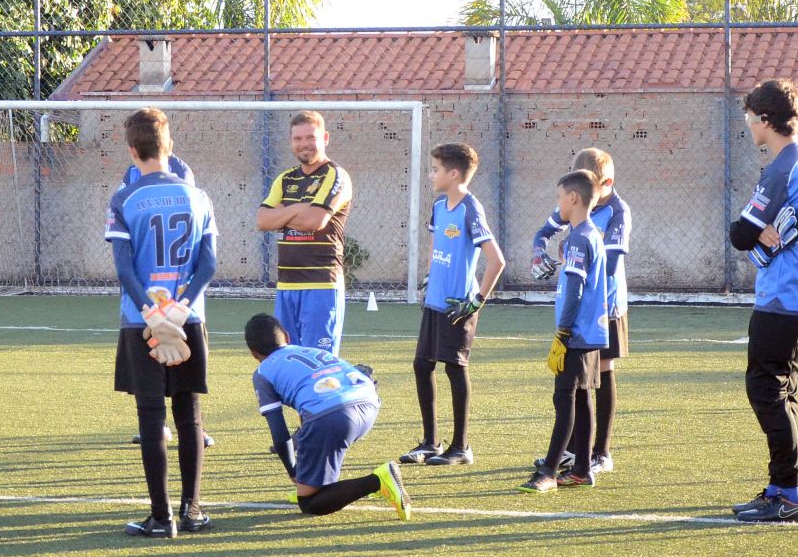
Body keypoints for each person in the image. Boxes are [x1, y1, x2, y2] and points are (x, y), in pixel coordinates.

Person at [106, 108, 220, 538]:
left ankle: (161, 517)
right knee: (189, 414)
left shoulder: (123, 199)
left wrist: (152, 312)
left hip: (141, 322)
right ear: (169, 147)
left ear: (132, 150)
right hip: (188, 319)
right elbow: (208, 264)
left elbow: (124, 268)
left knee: (151, 416)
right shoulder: (199, 196)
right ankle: (192, 511)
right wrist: (180, 307)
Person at [727, 78, 798, 524]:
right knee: (780, 391)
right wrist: (754, 231)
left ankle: (789, 493)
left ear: (766, 120)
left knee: (766, 389)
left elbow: (740, 234)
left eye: (751, 119)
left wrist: (752, 231)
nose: (749, 127)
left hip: (784, 297)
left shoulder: (783, 167)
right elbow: (751, 232)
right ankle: (780, 485)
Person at [246, 313, 411, 520]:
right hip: (368, 404)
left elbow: (279, 433)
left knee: (309, 503)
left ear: (254, 354)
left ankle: (378, 481)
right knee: (312, 424)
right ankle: (315, 480)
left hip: (334, 417)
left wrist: (293, 471)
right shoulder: (310, 350)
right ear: (287, 337)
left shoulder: (262, 373)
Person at [400, 142, 504, 467]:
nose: (430, 174)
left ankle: (461, 447)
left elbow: (496, 260)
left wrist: (476, 302)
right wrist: (429, 278)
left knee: (455, 368)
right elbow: (435, 246)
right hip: (434, 303)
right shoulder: (439, 206)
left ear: (454, 173)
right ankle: (431, 442)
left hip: (458, 306)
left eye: (435, 169)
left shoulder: (470, 209)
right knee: (422, 365)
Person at [530, 148, 630, 476]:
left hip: (606, 304)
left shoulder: (617, 211)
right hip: (580, 302)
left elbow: (611, 264)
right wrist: (538, 252)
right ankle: (574, 452)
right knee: (578, 382)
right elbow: (542, 233)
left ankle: (601, 451)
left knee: (600, 370)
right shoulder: (576, 203)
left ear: (606, 183)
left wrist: (575, 254)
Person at [522, 170, 611, 493]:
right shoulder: (590, 234)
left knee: (565, 399)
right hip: (591, 333)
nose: (558, 203)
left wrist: (562, 332)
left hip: (575, 333)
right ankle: (583, 469)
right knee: (583, 397)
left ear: (572, 198)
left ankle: (547, 471)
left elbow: (574, 289)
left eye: (560, 197)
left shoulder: (577, 238)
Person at [122, 153, 211, 450]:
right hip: (157, 304)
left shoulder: (181, 171)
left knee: (186, 389)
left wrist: (176, 308)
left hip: (172, 304)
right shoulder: (131, 175)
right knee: (152, 384)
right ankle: (157, 425)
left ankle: (194, 428)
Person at [256, 110, 353, 355]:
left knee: (319, 364)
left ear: (325, 138)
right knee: (289, 361)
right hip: (287, 286)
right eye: (297, 139)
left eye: (310, 137)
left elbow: (315, 220)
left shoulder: (335, 175)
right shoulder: (285, 179)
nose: (304, 144)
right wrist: (299, 208)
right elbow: (262, 220)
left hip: (321, 285)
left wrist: (284, 213)